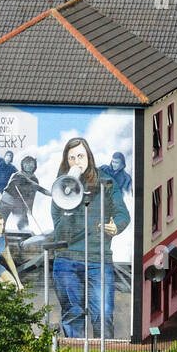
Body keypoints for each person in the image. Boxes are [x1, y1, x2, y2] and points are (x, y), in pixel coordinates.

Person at [47, 137, 131, 341]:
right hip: (66, 259)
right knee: (72, 313)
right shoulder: (61, 187)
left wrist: (116, 226)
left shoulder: (106, 182)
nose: (77, 161)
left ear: (89, 157)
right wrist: (68, 197)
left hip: (98, 258)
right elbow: (60, 232)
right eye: (72, 158)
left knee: (102, 313)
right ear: (66, 162)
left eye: (80, 156)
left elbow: (122, 214)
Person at [0, 155, 50, 233]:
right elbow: (14, 184)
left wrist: (29, 209)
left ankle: (25, 239)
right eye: (26, 163)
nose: (28, 166)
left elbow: (32, 196)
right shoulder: (18, 174)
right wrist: (43, 190)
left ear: (34, 166)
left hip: (19, 203)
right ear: (22, 165)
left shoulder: (34, 179)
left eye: (31, 164)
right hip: (7, 200)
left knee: (23, 224)